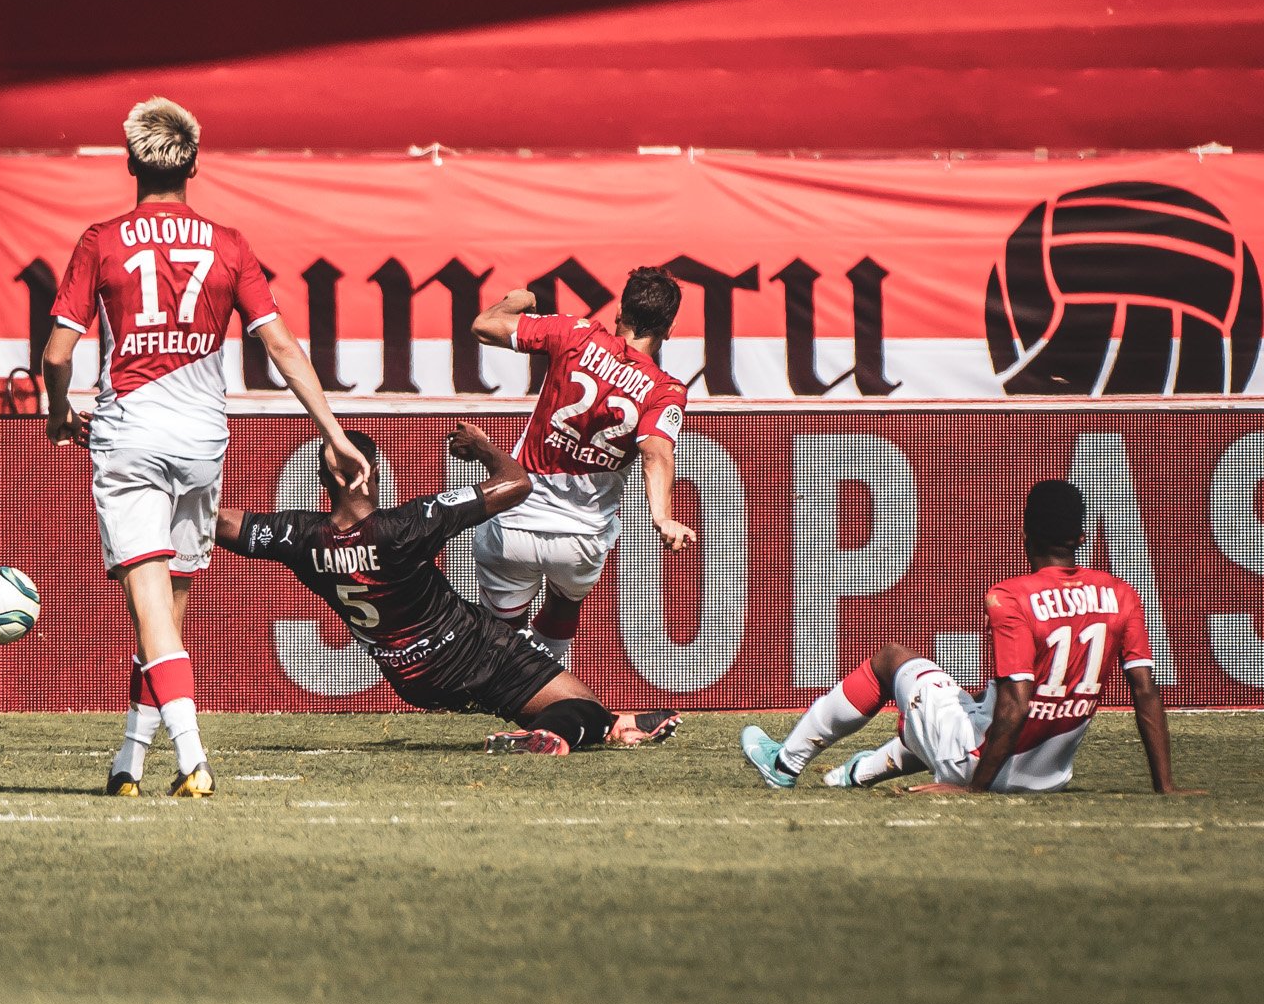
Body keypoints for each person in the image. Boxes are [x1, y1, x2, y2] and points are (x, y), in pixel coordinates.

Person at [42, 97, 368, 798]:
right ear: (194, 162)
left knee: (151, 609)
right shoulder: (230, 244)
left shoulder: (102, 240)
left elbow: (57, 351)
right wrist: (334, 434)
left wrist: (55, 410)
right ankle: (130, 761)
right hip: (202, 440)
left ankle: (192, 758)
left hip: (131, 433)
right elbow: (280, 346)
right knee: (167, 609)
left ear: (131, 163)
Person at [217, 425, 680, 755]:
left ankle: (616, 727)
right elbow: (516, 483)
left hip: (412, 679)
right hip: (472, 649)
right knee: (583, 707)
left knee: (560, 705)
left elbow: (225, 523)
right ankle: (581, 731)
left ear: (325, 480)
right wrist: (482, 447)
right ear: (367, 471)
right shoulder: (405, 526)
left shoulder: (299, 537)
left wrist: (169, 489)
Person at [742, 480, 1199, 796]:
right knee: (971, 702)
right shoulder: (1120, 595)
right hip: (1048, 777)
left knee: (892, 659)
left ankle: (784, 765)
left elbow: (1017, 706)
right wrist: (1166, 787)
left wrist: (971, 790)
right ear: (1082, 536)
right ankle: (855, 775)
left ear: (1025, 535)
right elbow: (1146, 694)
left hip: (985, 769)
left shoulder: (1011, 597)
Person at [467, 268, 696, 665]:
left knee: (503, 631)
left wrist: (516, 301)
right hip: (581, 538)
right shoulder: (664, 390)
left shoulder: (576, 333)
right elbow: (656, 452)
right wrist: (663, 518)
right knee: (565, 603)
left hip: (514, 521)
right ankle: (545, 698)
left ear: (619, 314)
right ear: (671, 329)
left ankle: (515, 687)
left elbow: (485, 326)